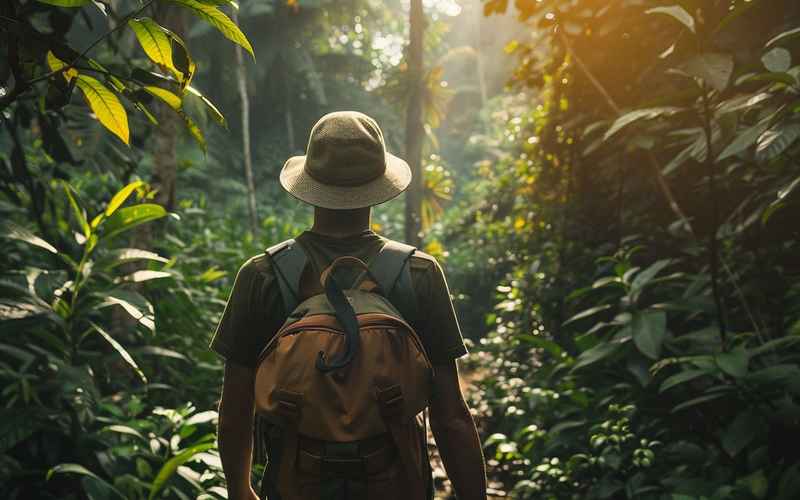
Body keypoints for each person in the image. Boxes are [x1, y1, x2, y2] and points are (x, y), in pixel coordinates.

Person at [210, 111, 487, 500]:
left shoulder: (263, 275)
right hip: (394, 483)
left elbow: (236, 403)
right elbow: (451, 414)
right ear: (379, 184)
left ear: (309, 183)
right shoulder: (419, 274)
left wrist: (240, 490)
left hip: (296, 484)